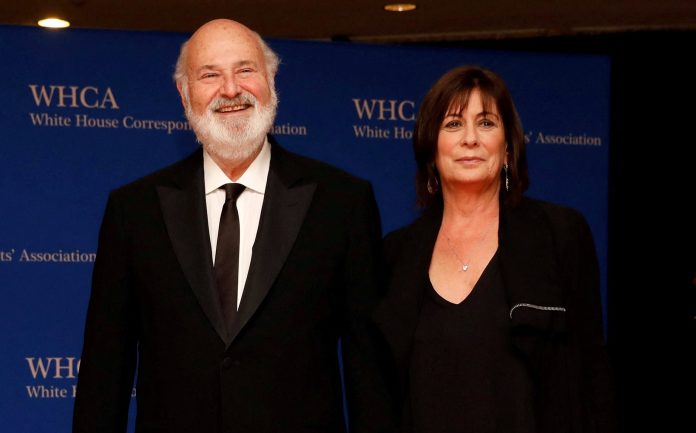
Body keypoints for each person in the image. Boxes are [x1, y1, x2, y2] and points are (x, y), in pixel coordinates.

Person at [73, 19, 394, 433]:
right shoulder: (134, 210)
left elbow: (369, 373)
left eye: (245, 70)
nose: (230, 90)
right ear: (184, 93)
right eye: (210, 75)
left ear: (271, 80)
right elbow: (104, 373)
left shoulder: (342, 202)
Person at [372, 66, 615, 433]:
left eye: (486, 123)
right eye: (453, 124)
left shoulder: (559, 233)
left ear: (507, 148)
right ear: (431, 149)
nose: (470, 138)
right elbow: (383, 391)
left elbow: (593, 373)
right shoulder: (397, 255)